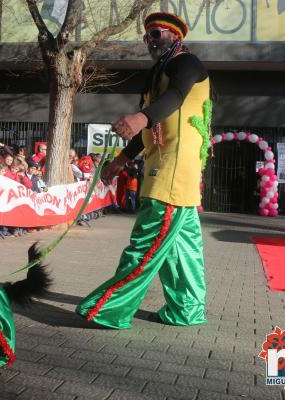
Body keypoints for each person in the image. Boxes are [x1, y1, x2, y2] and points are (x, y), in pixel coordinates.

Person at [76, 12, 209, 329]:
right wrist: (121, 159)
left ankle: (109, 310)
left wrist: (141, 118)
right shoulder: (156, 74)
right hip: (168, 169)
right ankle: (187, 309)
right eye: (147, 35)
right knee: (183, 249)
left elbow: (176, 97)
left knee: (146, 245)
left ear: (176, 36)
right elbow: (148, 128)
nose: (150, 40)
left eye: (157, 33)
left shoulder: (186, 64)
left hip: (173, 173)